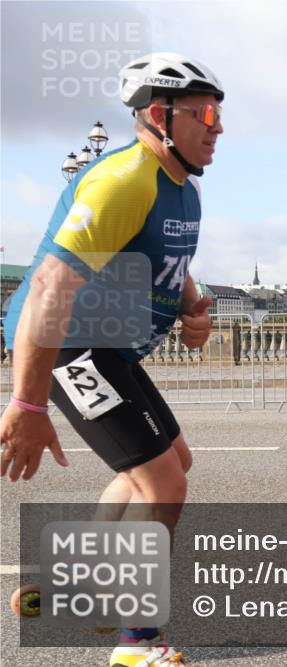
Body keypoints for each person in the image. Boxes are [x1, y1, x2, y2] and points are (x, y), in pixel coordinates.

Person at [1, 52, 224, 666]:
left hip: (110, 345)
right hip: (71, 341)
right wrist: (26, 401)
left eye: (220, 114)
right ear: (159, 115)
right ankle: (133, 644)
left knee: (170, 460)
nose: (218, 127)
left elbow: (168, 260)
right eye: (206, 113)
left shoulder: (183, 190)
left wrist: (191, 307)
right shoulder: (122, 178)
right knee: (165, 482)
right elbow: (47, 287)